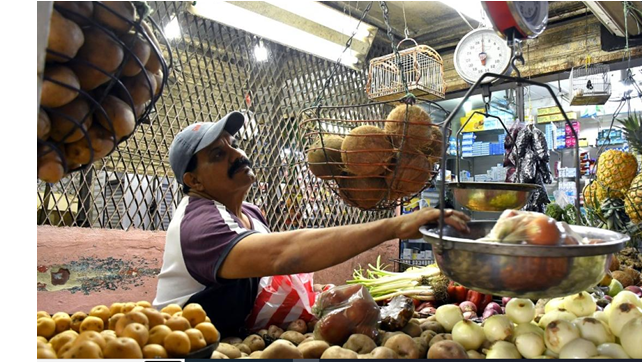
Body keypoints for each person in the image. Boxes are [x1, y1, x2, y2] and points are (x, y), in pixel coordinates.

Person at [153, 111, 470, 337]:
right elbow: (285, 254)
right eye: (218, 154)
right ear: (192, 180)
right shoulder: (200, 224)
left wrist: (319, 294)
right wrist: (393, 227)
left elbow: (268, 278)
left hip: (231, 338)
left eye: (233, 144)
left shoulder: (249, 213)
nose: (237, 154)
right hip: (185, 350)